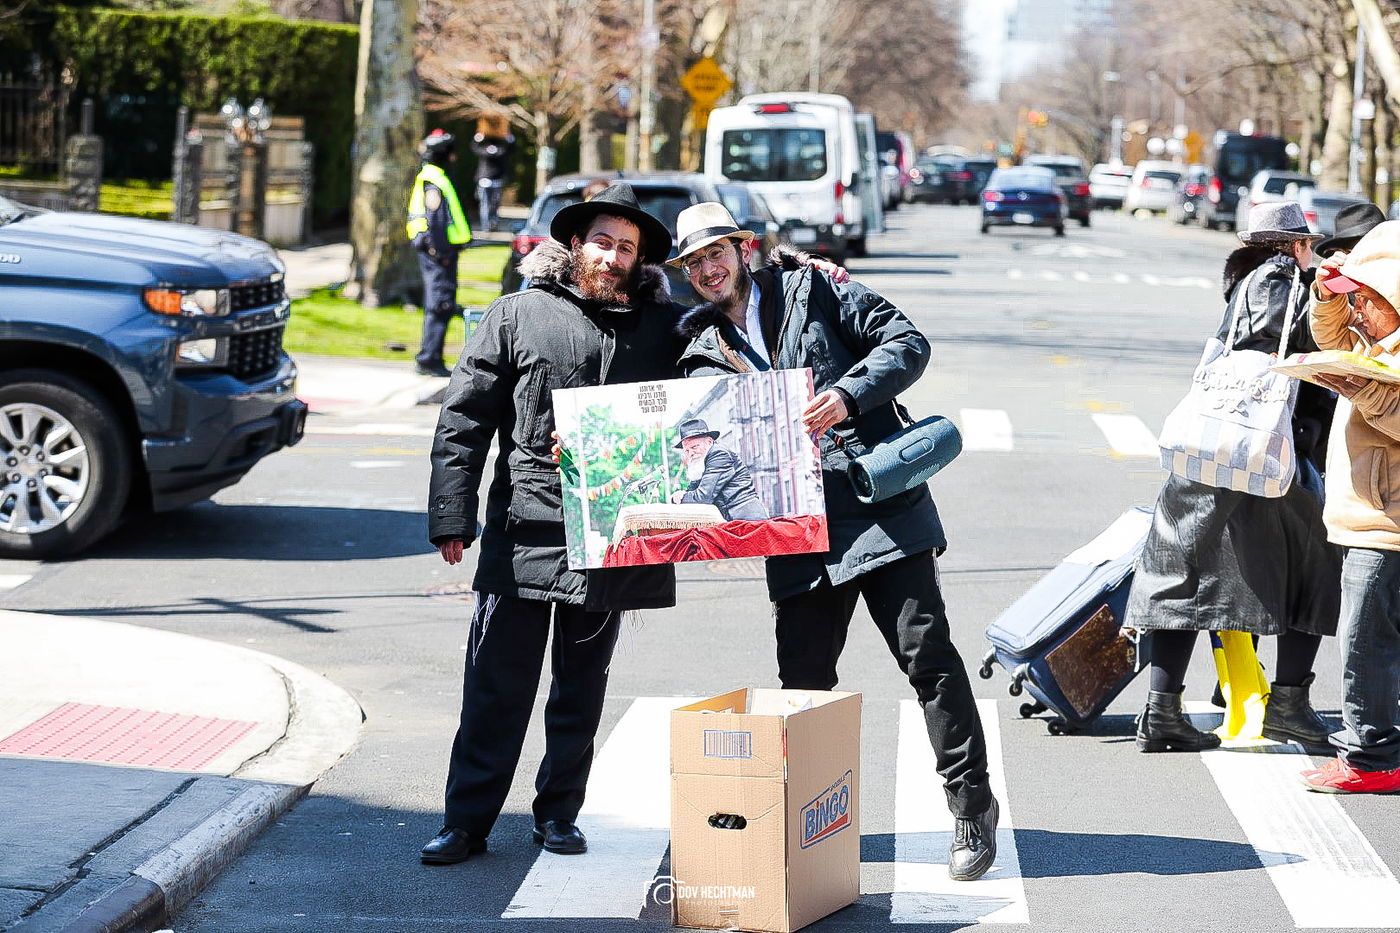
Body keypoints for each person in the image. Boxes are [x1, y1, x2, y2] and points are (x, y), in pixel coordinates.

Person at [672, 202, 1000, 882]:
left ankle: (972, 805)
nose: (708, 269)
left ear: (745, 248)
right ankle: (808, 829)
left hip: (878, 506)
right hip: (793, 529)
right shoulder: (697, 349)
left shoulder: (814, 288)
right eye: (695, 262)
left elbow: (907, 343)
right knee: (803, 684)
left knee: (928, 657)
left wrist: (849, 395)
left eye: (717, 254)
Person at [421, 184, 681, 865]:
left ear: (639, 260)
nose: (613, 255)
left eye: (627, 247)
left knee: (580, 688)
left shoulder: (665, 328)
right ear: (575, 244)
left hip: (615, 534)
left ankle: (558, 813)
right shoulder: (517, 314)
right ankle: (465, 822)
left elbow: (705, 406)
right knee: (494, 687)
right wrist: (453, 512)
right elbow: (464, 417)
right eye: (603, 241)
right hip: (523, 529)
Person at [1126, 201, 1342, 753]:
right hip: (1264, 452)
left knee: (1183, 569)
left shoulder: (1241, 281)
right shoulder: (1283, 280)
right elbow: (1288, 352)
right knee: (1311, 563)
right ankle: (1290, 703)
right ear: (1293, 244)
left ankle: (1161, 710)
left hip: (1207, 448)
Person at [1299, 220, 1400, 793]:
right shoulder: (1372, 342)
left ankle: (1371, 757)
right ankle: (1374, 749)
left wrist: (1360, 389)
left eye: (1365, 300)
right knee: (1372, 638)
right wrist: (1327, 291)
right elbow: (1327, 334)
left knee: (1365, 640)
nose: (1356, 311)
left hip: (1385, 524)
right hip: (1366, 514)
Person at [408, 129, 472, 377]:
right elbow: (435, 219)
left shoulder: (433, 176)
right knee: (440, 303)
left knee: (441, 302)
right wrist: (441, 251)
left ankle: (431, 356)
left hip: (436, 252)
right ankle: (429, 358)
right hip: (438, 254)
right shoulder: (434, 179)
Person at [673, 418, 769, 520]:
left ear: (709, 442)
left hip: (747, 521)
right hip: (731, 521)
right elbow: (692, 490)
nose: (691, 453)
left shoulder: (719, 454)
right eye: (687, 451)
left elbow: (703, 497)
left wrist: (681, 497)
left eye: (694, 447)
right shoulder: (701, 463)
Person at [471, 130, 514, 232]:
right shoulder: (497, 151)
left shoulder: (495, 151)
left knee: (491, 205)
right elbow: (474, 148)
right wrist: (510, 139)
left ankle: (490, 224)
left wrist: (477, 139)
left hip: (494, 181)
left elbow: (474, 148)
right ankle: (488, 225)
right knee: (488, 205)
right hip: (487, 181)